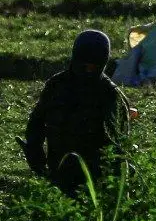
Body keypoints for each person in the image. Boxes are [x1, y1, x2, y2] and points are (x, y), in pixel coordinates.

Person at [21, 29, 133, 194]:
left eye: (93, 66)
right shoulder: (56, 86)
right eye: (84, 64)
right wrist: (35, 153)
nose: (88, 70)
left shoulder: (110, 95)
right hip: (58, 171)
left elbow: (120, 143)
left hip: (96, 178)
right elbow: (37, 123)